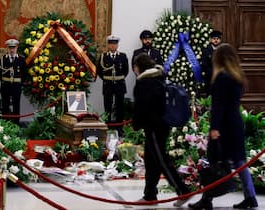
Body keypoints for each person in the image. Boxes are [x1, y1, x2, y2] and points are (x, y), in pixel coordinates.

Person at [188, 44, 258, 209]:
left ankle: (207, 199)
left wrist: (214, 128)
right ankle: (250, 196)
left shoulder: (222, 78)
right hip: (235, 122)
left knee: (212, 161)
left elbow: (219, 106)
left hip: (223, 126)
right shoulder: (237, 76)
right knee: (239, 161)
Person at [132, 53, 191, 207]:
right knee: (151, 160)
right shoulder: (158, 77)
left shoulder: (145, 82)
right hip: (162, 124)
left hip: (154, 126)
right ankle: (150, 195)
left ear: (138, 67)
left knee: (161, 159)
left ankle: (183, 190)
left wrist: (136, 123)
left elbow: (142, 107)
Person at [97, 35, 129, 134]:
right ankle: (108, 126)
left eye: (115, 44)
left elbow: (126, 70)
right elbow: (100, 71)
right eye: (111, 44)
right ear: (108, 45)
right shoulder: (103, 57)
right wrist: (107, 79)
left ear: (117, 45)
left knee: (120, 106)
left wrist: (118, 78)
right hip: (108, 85)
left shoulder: (123, 56)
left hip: (119, 84)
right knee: (108, 106)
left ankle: (119, 128)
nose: (113, 46)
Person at [0, 39, 27, 124]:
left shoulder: (21, 59)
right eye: (10, 47)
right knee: (5, 106)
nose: (12, 50)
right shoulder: (2, 59)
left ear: (17, 47)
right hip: (5, 86)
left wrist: (20, 84)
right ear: (7, 48)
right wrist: (4, 82)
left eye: (14, 47)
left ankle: (16, 124)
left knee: (16, 106)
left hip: (16, 87)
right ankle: (5, 125)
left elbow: (24, 73)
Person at [200, 30, 222, 96]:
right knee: (210, 96)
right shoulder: (206, 50)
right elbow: (204, 65)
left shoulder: (222, 50)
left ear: (220, 40)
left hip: (221, 78)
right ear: (210, 40)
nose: (216, 40)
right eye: (214, 39)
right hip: (210, 78)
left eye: (217, 39)